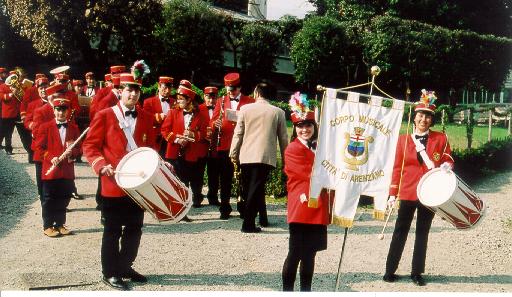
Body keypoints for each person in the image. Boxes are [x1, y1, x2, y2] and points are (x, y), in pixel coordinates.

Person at [83, 73, 155, 291]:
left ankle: (125, 267)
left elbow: (150, 149)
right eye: (128, 90)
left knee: (135, 228)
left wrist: (160, 164)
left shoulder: (147, 117)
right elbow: (90, 146)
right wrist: (100, 164)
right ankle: (110, 272)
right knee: (112, 230)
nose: (133, 94)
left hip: (138, 186)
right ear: (120, 92)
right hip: (113, 184)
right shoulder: (105, 115)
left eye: (136, 90)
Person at [383, 89, 454, 286]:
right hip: (407, 191)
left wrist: (447, 166)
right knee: (400, 230)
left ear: (432, 119)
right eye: (421, 115)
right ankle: (390, 270)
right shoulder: (402, 140)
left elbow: (447, 158)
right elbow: (397, 168)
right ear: (415, 117)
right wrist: (392, 193)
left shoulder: (441, 138)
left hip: (429, 193)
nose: (424, 119)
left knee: (422, 232)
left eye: (428, 116)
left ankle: (417, 272)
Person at [281, 104, 331, 291]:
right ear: (295, 128)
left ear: (314, 126)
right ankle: (287, 291)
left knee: (310, 253)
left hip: (318, 205)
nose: (304, 129)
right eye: (300, 126)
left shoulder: (320, 147)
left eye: (308, 125)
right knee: (295, 252)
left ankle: (306, 290)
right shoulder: (292, 149)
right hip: (302, 206)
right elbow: (307, 175)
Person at [229, 82, 288, 233]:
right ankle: (249, 223)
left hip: (246, 155)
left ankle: (258, 219)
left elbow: (238, 133)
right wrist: (286, 160)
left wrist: (233, 153)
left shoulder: (245, 109)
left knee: (251, 189)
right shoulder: (278, 112)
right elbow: (283, 139)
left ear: (257, 93)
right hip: (265, 157)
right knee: (256, 189)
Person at [209, 73, 254, 220]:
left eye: (233, 89)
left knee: (242, 178)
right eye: (229, 89)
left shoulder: (249, 101)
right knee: (225, 178)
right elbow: (213, 119)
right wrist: (214, 123)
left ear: (240, 87)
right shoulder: (221, 101)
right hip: (225, 145)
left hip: (243, 145)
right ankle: (225, 208)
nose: (231, 92)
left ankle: (243, 207)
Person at [34, 97, 81, 237]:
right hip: (51, 170)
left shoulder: (74, 128)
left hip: (66, 171)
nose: (61, 113)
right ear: (54, 111)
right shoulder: (45, 127)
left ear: (68, 111)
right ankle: (47, 225)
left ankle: (60, 224)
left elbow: (80, 148)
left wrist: (72, 151)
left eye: (63, 110)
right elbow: (38, 147)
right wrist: (50, 157)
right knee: (49, 198)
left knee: (64, 197)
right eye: (58, 110)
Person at [161, 86, 208, 208]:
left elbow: (205, 133)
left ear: (189, 100)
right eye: (177, 99)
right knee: (181, 180)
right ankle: (182, 204)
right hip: (176, 151)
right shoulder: (172, 112)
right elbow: (164, 130)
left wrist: (193, 135)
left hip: (192, 151)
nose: (178, 102)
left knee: (195, 177)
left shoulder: (200, 115)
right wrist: (177, 139)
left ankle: (196, 199)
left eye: (181, 99)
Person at [143, 76, 174, 157]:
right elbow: (145, 120)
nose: (167, 91)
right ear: (159, 86)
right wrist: (159, 117)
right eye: (165, 88)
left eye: (170, 88)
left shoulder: (175, 102)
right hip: (155, 139)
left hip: (170, 140)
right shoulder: (148, 102)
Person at [199, 86, 221, 206]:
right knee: (198, 173)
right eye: (208, 97)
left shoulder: (221, 109)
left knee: (214, 173)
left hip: (215, 146)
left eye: (213, 98)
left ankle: (213, 197)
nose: (211, 101)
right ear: (204, 96)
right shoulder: (198, 109)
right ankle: (197, 197)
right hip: (201, 145)